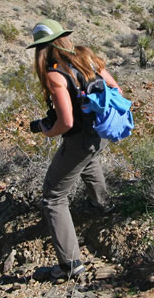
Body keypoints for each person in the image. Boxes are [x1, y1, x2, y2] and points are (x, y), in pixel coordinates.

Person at [26, 19, 119, 280]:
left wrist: (48, 130)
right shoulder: (86, 57)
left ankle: (70, 265)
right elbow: (116, 89)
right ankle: (103, 206)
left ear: (41, 49)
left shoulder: (55, 73)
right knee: (89, 160)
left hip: (79, 139)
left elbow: (66, 122)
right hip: (100, 133)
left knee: (53, 197)